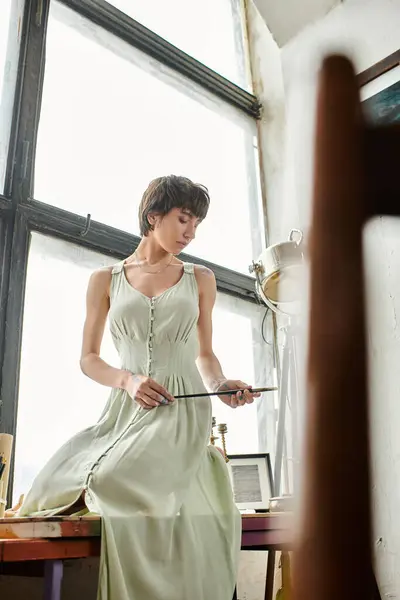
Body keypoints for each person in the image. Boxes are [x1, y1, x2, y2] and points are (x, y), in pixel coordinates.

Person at [18, 175, 260, 600]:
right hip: (122, 409)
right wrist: (127, 380)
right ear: (154, 216)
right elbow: (88, 358)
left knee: (112, 480)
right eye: (183, 219)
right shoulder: (104, 280)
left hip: (180, 410)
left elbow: (204, 354)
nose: (190, 232)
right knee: (49, 484)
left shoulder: (199, 278)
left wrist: (221, 385)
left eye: (197, 224)